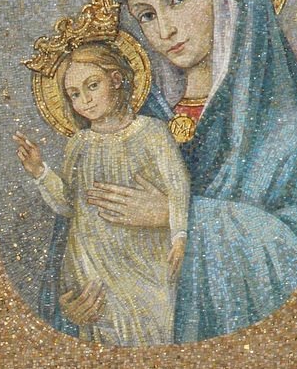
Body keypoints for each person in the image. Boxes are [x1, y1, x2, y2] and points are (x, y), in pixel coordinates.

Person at [80, 0, 297, 342]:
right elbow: (88, 238)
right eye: (146, 15)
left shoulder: (295, 127)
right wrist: (79, 301)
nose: (165, 30)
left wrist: (178, 216)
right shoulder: (132, 126)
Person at [14, 41, 188, 347]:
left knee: (152, 334)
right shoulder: (79, 144)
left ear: (116, 80)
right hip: (93, 268)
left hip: (143, 263)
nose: (86, 101)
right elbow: (70, 204)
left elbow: (177, 186)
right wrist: (41, 172)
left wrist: (180, 234)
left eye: (92, 86)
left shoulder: (152, 133)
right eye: (75, 94)